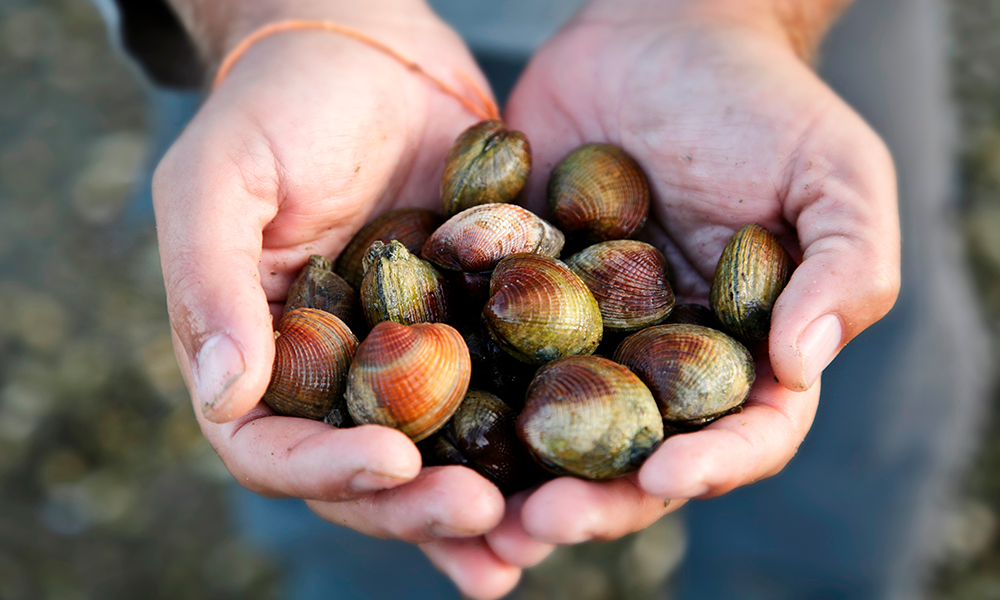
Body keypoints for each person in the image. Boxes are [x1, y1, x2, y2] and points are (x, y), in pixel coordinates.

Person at [145, 0, 902, 597]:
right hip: (333, 70)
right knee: (362, 501)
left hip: (724, 37)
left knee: (843, 433)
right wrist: (284, 20)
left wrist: (733, 17)